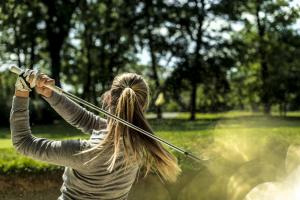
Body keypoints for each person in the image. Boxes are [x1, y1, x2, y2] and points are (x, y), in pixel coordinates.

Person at [10, 70, 181, 200]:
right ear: (143, 106)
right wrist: (50, 94)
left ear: (108, 98)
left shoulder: (86, 153)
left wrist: (21, 91)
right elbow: (86, 120)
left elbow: (23, 142)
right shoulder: (139, 142)